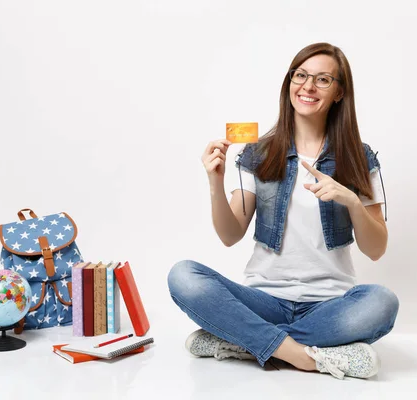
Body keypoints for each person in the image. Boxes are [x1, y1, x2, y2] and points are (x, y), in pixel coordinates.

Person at [167, 42, 399, 380]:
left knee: (382, 302)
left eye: (322, 79)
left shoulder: (359, 159)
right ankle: (307, 355)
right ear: (289, 82)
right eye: (300, 75)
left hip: (329, 304)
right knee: (183, 276)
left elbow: (376, 249)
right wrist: (215, 183)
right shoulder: (258, 154)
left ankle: (244, 342)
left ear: (338, 93)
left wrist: (350, 200)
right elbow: (230, 235)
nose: (307, 86)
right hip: (264, 301)